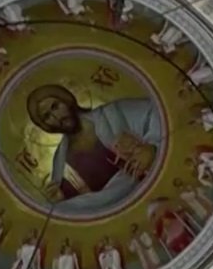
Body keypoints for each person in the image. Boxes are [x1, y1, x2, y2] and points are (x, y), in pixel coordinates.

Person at [27, 84, 163, 214]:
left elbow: (156, 111)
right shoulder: (61, 163)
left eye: (55, 106)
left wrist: (151, 147)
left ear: (66, 100)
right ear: (45, 126)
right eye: (47, 117)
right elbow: (84, 205)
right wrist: (62, 199)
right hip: (123, 215)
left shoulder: (111, 113)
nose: (57, 117)